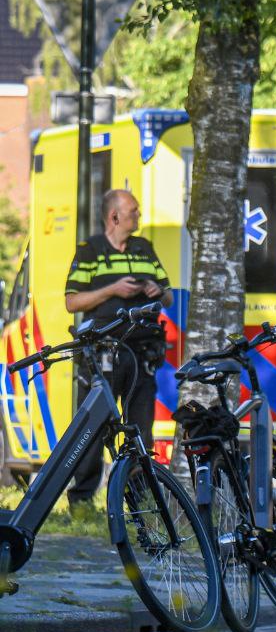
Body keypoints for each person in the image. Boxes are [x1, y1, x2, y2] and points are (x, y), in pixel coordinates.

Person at [63, 189, 173, 507]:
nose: (138, 215)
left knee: (141, 430)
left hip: (142, 353)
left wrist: (156, 290)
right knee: (93, 428)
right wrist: (113, 289)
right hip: (103, 354)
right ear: (114, 216)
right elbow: (72, 302)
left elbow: (168, 297)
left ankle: (139, 503)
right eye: (133, 211)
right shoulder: (90, 251)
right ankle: (82, 501)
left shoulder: (144, 248)